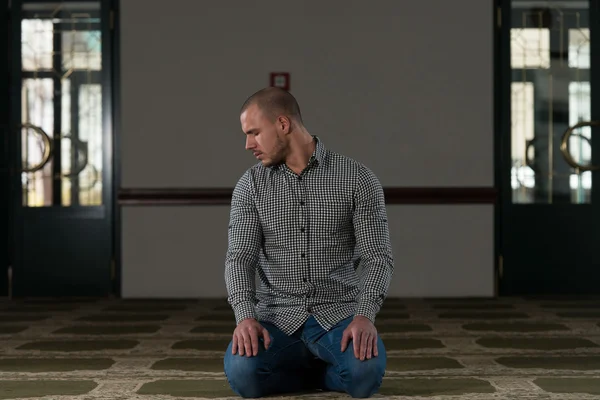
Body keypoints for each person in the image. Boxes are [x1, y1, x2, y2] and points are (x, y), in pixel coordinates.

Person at [223, 87, 394, 398]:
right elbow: (240, 258)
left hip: (338, 315)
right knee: (244, 376)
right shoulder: (250, 185)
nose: (248, 144)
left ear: (283, 125)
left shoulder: (357, 179)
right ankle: (316, 372)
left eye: (254, 133)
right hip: (276, 317)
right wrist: (245, 317)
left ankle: (316, 370)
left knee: (363, 376)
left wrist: (365, 315)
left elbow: (377, 257)